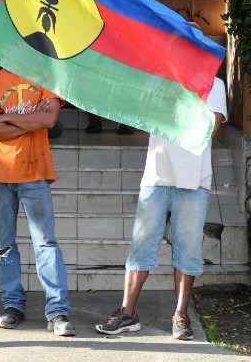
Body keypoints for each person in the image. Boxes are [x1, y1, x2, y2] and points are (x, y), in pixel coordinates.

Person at [94, 44, 226, 341]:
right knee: (140, 247)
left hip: (194, 181)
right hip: (156, 177)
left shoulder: (213, 84)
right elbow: (143, 112)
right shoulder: (158, 79)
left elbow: (212, 127)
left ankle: (180, 315)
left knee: (188, 251)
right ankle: (127, 313)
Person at [0, 69, 75, 336]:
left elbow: (49, 119)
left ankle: (57, 311)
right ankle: (12, 306)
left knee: (45, 243)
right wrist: (31, 121)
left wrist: (5, 117)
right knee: (2, 244)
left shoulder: (45, 78)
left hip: (35, 172)